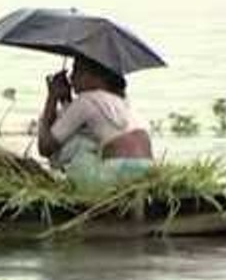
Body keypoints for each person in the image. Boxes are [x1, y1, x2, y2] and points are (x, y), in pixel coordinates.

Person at [37, 56, 153, 188]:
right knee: (85, 139)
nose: (71, 78)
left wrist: (51, 97)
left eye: (76, 71)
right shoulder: (122, 101)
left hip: (118, 173)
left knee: (77, 145)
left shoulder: (86, 100)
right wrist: (65, 99)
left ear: (95, 77)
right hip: (147, 171)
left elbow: (45, 147)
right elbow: (79, 125)